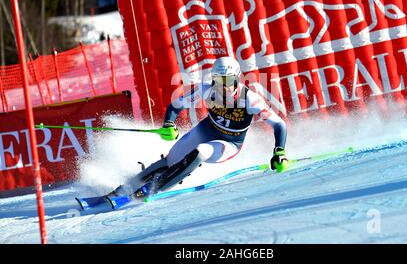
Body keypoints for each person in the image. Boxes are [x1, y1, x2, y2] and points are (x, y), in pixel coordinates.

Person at [111, 56, 289, 198]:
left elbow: (279, 124)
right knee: (171, 160)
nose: (223, 87)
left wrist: (279, 152)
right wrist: (168, 124)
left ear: (237, 79)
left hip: (228, 143)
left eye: (228, 81)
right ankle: (124, 189)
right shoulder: (206, 89)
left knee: (201, 151)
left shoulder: (249, 99)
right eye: (219, 81)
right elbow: (176, 106)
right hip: (206, 130)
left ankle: (152, 189)